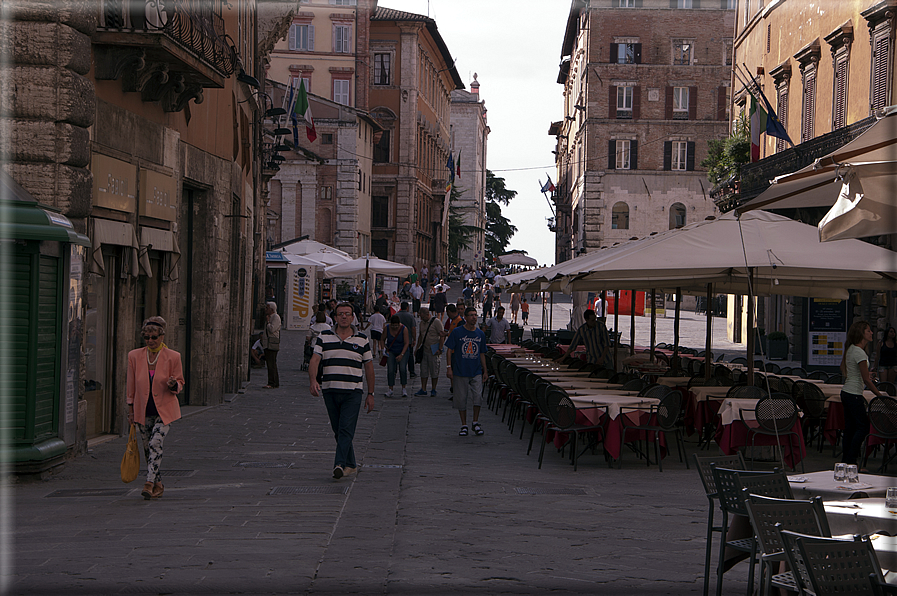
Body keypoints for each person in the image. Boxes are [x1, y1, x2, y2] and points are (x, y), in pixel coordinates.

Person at [308, 303, 375, 479]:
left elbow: (369, 368)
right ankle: (351, 464)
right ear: (335, 317)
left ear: (353, 317)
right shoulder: (324, 337)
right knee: (338, 429)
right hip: (330, 390)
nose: (344, 317)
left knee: (346, 428)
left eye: (347, 314)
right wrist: (313, 380)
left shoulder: (362, 340)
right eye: (340, 314)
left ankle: (339, 464)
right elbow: (315, 360)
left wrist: (370, 394)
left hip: (353, 392)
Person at [127, 316, 184, 500]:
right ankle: (158, 484)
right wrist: (130, 409)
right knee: (147, 449)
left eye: (154, 337)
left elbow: (180, 382)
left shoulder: (173, 357)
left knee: (155, 443)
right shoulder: (134, 356)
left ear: (162, 337)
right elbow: (131, 385)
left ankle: (149, 482)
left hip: (164, 410)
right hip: (142, 410)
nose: (151, 341)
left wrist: (173, 384)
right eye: (147, 338)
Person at [840, 320, 885, 465]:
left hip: (846, 391)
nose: (871, 333)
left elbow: (858, 374)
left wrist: (867, 376)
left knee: (850, 428)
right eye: (868, 331)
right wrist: (879, 395)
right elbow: (866, 380)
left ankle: (846, 460)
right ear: (861, 333)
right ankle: (851, 459)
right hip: (854, 393)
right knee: (863, 427)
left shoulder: (851, 349)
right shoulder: (860, 352)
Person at [445, 307, 488, 436]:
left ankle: (475, 422)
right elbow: (449, 350)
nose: (474, 317)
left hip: (476, 371)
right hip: (460, 370)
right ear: (466, 317)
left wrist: (485, 370)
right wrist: (449, 367)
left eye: (475, 315)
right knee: (461, 399)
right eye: (471, 315)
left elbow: (482, 353)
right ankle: (464, 425)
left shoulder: (480, 334)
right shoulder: (457, 332)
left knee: (478, 397)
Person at [414, 307, 445, 397]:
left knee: (434, 370)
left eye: (422, 317)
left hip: (434, 349)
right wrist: (417, 348)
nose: (421, 318)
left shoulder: (436, 322)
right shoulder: (422, 323)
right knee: (423, 370)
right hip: (425, 349)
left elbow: (442, 335)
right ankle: (423, 388)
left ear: (427, 314)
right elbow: (420, 335)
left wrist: (440, 348)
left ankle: (433, 388)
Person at [383, 315, 411, 397]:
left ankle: (404, 388)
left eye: (396, 325)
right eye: (393, 325)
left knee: (402, 369)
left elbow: (406, 343)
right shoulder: (387, 328)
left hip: (402, 350)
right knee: (390, 370)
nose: (395, 327)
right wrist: (383, 349)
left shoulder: (404, 329)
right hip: (391, 351)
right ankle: (390, 388)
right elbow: (382, 339)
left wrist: (402, 355)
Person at [261, 301, 281, 388]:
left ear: (272, 309)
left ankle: (272, 382)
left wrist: (268, 322)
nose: (266, 309)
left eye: (267, 308)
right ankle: (274, 382)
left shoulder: (275, 317)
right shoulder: (270, 317)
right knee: (271, 363)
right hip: (267, 343)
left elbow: (272, 329)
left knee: (271, 363)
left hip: (272, 343)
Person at [397, 302, 417, 378]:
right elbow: (413, 328)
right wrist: (414, 339)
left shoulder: (396, 316)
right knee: (410, 356)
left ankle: (396, 371)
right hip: (408, 339)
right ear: (407, 308)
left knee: (398, 354)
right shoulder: (410, 316)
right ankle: (411, 372)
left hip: (398, 340)